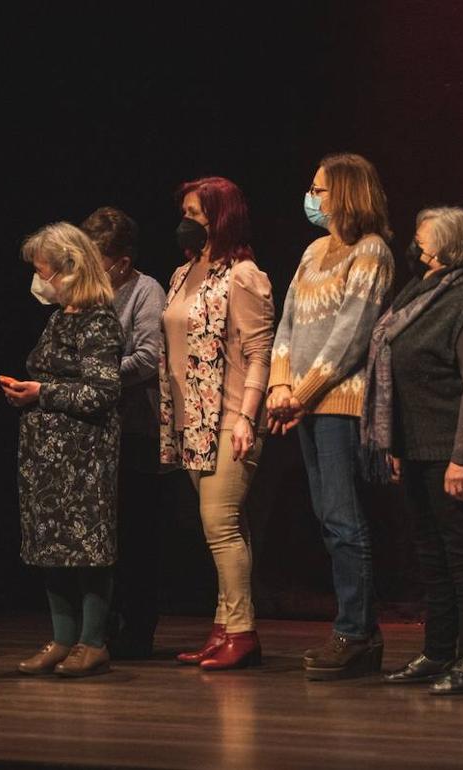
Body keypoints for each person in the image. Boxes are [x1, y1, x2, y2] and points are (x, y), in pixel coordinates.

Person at [364, 207, 463, 695]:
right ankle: (438, 651)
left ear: (447, 248)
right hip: (421, 448)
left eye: (423, 236)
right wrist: (397, 444)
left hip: (459, 449)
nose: (415, 242)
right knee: (431, 553)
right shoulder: (422, 292)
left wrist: (462, 457)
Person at [266, 153, 395, 680]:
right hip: (303, 400)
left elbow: (351, 334)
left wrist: (301, 393)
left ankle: (357, 633)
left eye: (318, 190)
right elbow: (288, 325)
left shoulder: (372, 252)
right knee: (327, 518)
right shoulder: (314, 251)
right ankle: (352, 627)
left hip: (340, 403)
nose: (311, 198)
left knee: (344, 520)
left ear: (344, 193)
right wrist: (278, 384)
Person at [159, 178, 275, 670]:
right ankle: (226, 625)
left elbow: (259, 352)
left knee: (220, 525)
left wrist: (249, 415)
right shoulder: (183, 274)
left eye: (196, 211)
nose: (187, 219)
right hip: (192, 421)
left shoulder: (243, 275)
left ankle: (242, 632)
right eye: (184, 209)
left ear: (220, 217)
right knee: (229, 527)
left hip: (231, 418)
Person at [3, 222, 122, 678]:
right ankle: (62, 638)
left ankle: (93, 642)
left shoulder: (98, 322)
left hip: (83, 456)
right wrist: (26, 392)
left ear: (70, 269)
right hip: (46, 458)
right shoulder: (60, 317)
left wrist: (42, 393)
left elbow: (101, 392)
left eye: (44, 271)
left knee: (87, 549)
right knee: (51, 548)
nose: (40, 280)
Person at [79, 206, 166, 658]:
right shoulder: (86, 293)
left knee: (137, 534)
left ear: (122, 261)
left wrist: (99, 377)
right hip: (91, 433)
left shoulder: (145, 291)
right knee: (98, 534)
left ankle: (137, 629)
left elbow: (150, 356)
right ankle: (99, 627)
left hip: (136, 431)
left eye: (98, 258)